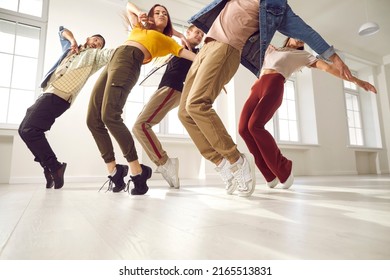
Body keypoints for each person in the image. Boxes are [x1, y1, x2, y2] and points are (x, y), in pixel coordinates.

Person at [178, 0, 353, 197]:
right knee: (184, 112)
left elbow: (307, 32)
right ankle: (222, 163)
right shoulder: (275, 50)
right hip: (207, 46)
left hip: (227, 49)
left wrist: (335, 58)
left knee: (199, 105)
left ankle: (237, 160)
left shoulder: (277, 7)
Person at [86, 2, 196, 195]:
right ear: (151, 17)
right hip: (114, 60)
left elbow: (195, 59)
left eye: (165, 13)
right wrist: (140, 12)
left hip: (130, 61)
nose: (161, 14)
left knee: (110, 116)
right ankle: (114, 171)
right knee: (92, 119)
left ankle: (137, 173)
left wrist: (177, 36)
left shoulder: (167, 41)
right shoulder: (139, 27)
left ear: (168, 20)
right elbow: (129, 5)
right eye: (157, 12)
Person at [238, 38, 377, 190]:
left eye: (303, 40)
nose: (299, 40)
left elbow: (328, 68)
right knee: (243, 129)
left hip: (274, 84)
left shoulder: (304, 56)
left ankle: (284, 168)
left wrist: (357, 81)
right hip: (257, 85)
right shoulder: (272, 48)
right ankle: (269, 175)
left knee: (255, 125)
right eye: (297, 36)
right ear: (289, 35)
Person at [18, 26, 111, 190]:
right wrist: (73, 41)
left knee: (28, 129)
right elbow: (61, 30)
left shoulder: (95, 56)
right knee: (24, 130)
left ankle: (55, 167)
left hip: (60, 95)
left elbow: (109, 54)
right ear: (88, 38)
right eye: (96, 39)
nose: (97, 44)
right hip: (48, 91)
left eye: (100, 43)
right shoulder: (70, 48)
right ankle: (50, 167)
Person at [132, 25, 204, 189]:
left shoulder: (197, 53)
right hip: (164, 88)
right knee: (140, 126)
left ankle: (165, 163)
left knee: (140, 126)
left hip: (173, 88)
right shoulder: (178, 46)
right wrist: (180, 35)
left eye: (202, 34)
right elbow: (165, 32)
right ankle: (165, 162)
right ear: (188, 32)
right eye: (197, 32)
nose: (200, 36)